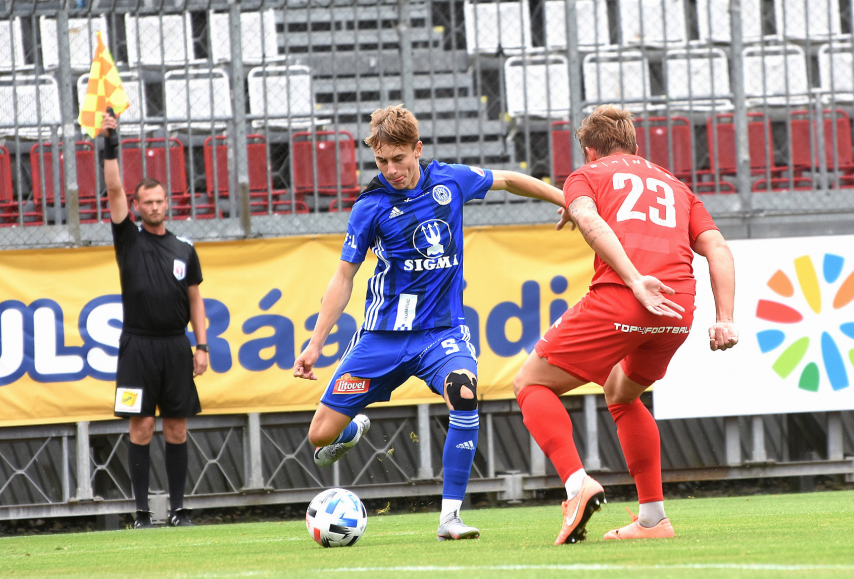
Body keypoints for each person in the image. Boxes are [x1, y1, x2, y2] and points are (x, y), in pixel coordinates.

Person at [293, 105, 566, 541]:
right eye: (381, 161)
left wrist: (567, 200)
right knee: (320, 436)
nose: (391, 170)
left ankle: (450, 517)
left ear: (417, 149)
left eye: (398, 159)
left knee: (464, 391)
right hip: (382, 337)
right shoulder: (370, 206)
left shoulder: (450, 181)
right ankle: (352, 428)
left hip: (442, 332)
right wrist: (315, 343)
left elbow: (510, 180)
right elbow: (343, 277)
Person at [513, 105, 738, 545]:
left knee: (530, 383)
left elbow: (590, 217)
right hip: (677, 309)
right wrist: (724, 318)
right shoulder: (676, 186)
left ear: (589, 150)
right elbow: (717, 246)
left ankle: (576, 486)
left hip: (626, 298)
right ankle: (653, 519)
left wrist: (634, 279)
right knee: (621, 394)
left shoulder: (586, 175)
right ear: (634, 145)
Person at [101, 111, 209, 529]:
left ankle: (179, 510)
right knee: (142, 426)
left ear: (168, 203)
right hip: (138, 347)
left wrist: (201, 345)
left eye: (160, 201)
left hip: (175, 346)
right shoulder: (128, 239)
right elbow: (113, 188)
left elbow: (196, 300)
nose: (155, 207)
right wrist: (110, 142)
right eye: (147, 202)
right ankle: (142, 513)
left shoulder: (185, 249)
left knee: (177, 427)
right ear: (137, 206)